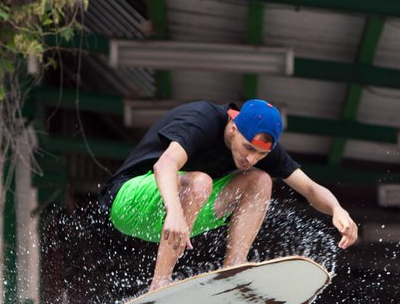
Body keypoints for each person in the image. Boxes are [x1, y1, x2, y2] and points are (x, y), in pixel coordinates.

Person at [102, 99, 358, 291]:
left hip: (182, 215)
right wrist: (174, 211)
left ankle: (232, 272)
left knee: (260, 180)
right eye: (248, 148)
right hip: (129, 201)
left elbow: (311, 189)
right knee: (200, 181)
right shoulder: (203, 119)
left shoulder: (261, 150)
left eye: (261, 155)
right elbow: (165, 164)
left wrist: (337, 209)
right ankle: (159, 283)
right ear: (234, 127)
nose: (251, 158)